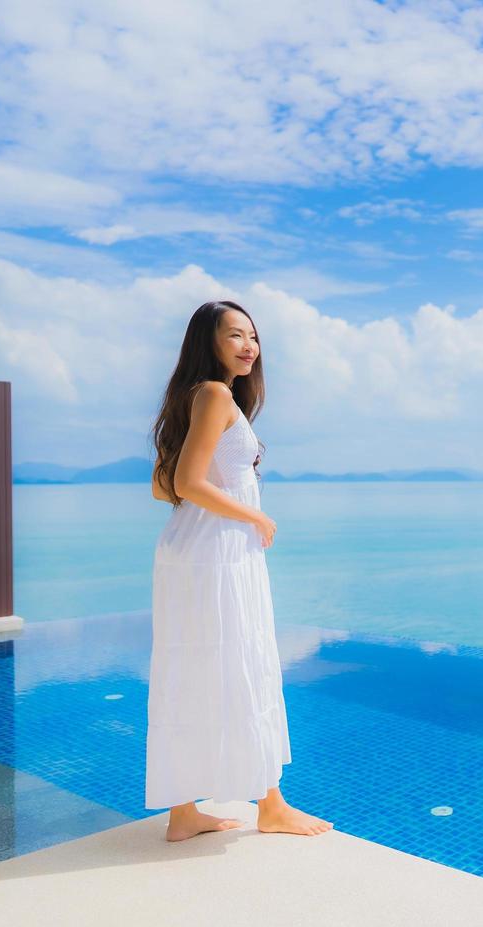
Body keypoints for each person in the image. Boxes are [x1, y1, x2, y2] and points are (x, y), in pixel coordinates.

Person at [145, 299, 332, 842]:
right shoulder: (215, 394)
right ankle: (270, 806)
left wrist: (230, 506)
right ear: (208, 342)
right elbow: (186, 485)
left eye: (253, 336)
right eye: (235, 336)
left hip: (193, 550)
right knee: (243, 661)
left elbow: (165, 484)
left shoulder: (193, 398)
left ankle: (184, 813)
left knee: (194, 671)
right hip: (220, 554)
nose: (249, 345)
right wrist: (255, 515)